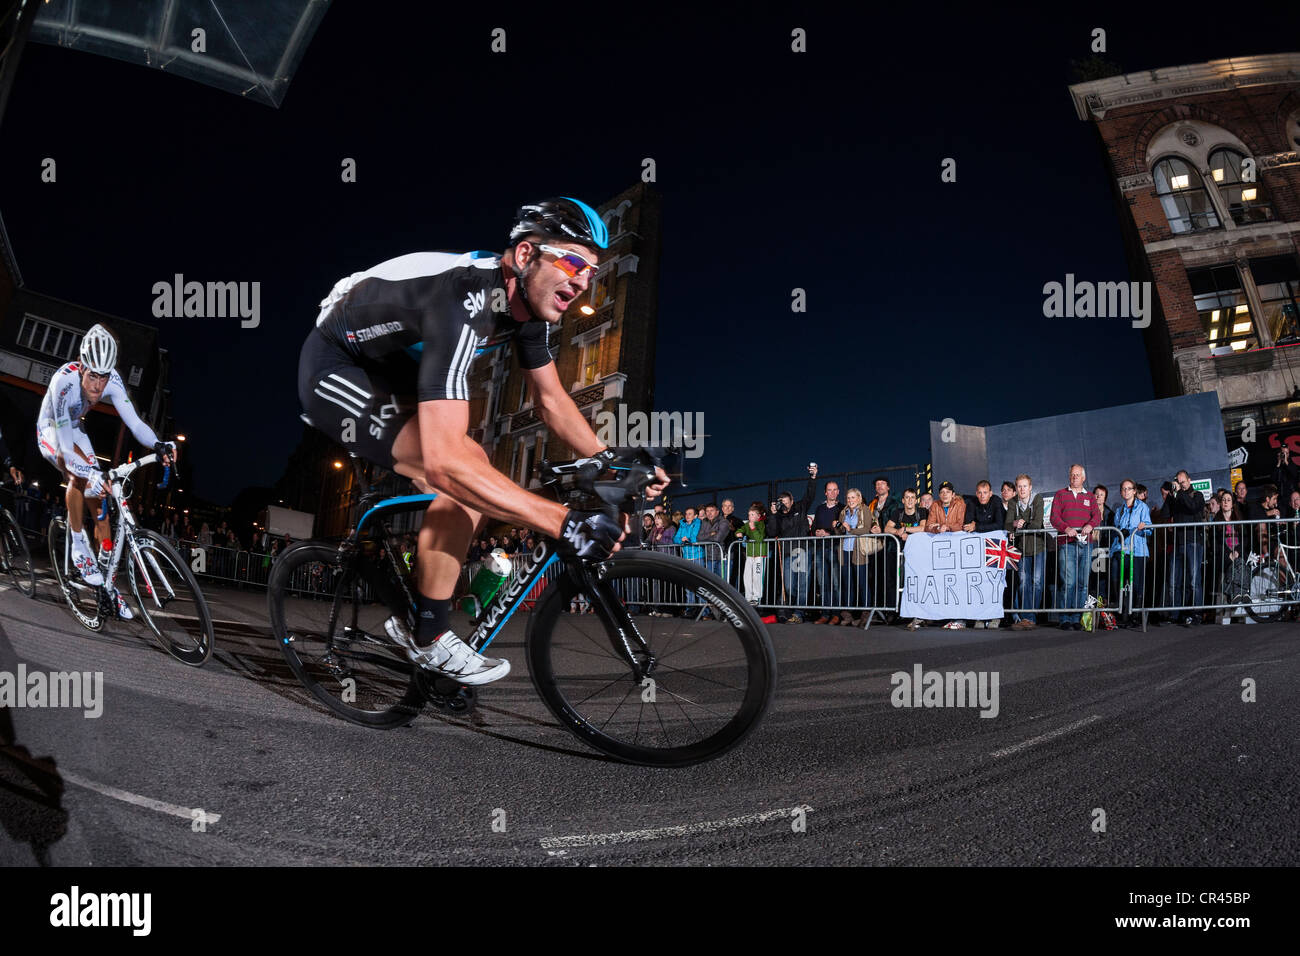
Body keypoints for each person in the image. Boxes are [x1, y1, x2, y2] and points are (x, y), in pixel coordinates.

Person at [296, 197, 669, 683]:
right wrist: (564, 523)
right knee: (462, 466)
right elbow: (449, 463)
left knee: (468, 469)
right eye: (574, 262)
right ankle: (427, 635)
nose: (583, 281)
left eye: (592, 271)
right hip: (337, 366)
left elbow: (553, 401)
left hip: (394, 372)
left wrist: (609, 460)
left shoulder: (527, 314)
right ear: (524, 256)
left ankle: (416, 609)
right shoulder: (463, 298)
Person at [36, 324, 177, 619]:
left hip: (76, 429)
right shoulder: (64, 382)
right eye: (93, 376)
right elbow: (63, 447)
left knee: (101, 502)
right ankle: (78, 546)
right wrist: (88, 471)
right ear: (81, 366)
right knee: (79, 475)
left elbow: (135, 423)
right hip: (53, 431)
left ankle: (108, 590)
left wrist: (159, 443)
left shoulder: (111, 379)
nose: (99, 386)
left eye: (104, 376)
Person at [1049, 464, 1100, 631]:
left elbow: (1097, 516)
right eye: (1072, 475)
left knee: (1082, 584)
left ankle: (1078, 617)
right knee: (1068, 582)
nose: (1075, 477)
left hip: (1085, 545)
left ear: (1083, 478)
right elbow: (1054, 517)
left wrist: (1090, 525)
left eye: (1078, 475)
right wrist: (1066, 528)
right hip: (1067, 544)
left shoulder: (1091, 497)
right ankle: (1065, 618)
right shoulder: (1061, 494)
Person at [767, 465, 817, 623]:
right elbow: (772, 532)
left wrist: (813, 478)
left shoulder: (800, 508)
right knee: (788, 586)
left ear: (792, 501)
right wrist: (773, 515)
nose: (784, 505)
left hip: (802, 550)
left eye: (786, 502)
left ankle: (799, 612)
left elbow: (809, 495)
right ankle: (792, 608)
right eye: (781, 502)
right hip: (787, 553)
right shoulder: (778, 516)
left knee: (803, 583)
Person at [1004, 474, 1046, 630]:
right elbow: (1008, 525)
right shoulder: (1013, 502)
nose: (1022, 489)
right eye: (1019, 486)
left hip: (1038, 547)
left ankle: (1030, 616)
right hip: (1021, 549)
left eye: (1025, 486)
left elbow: (1037, 523)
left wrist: (1023, 525)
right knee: (1023, 582)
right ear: (1016, 488)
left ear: (1030, 487)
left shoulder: (1037, 499)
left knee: (1037, 582)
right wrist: (1015, 523)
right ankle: (1027, 617)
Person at [963, 480, 1007, 628]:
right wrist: (975, 526)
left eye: (985, 492)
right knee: (978, 582)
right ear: (976, 493)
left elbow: (999, 525)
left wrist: (978, 526)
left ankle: (995, 616)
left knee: (994, 583)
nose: (982, 496)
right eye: (980, 493)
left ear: (990, 493)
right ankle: (979, 617)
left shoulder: (996, 502)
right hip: (977, 550)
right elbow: (968, 525)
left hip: (994, 549)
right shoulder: (971, 503)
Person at [1165, 470, 1205, 627]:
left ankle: (1197, 613)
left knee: (1194, 580)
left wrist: (1180, 493)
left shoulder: (1197, 495)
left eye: (1183, 482)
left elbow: (1193, 508)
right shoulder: (1177, 496)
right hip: (1177, 542)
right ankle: (1175, 614)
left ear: (1189, 480)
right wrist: (1170, 496)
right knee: (1174, 581)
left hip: (1193, 541)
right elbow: (1166, 513)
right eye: (1179, 482)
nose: (1181, 485)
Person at [1109, 480, 1151, 628]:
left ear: (1134, 491)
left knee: (1136, 584)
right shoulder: (1120, 510)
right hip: (1121, 550)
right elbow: (1116, 531)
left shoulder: (1142, 507)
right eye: (1123, 489)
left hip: (1138, 550)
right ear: (1121, 492)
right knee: (1118, 578)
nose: (1126, 491)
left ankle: (1136, 615)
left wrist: (1138, 529)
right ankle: (1121, 611)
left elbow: (1149, 529)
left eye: (1129, 489)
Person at [884, 488, 927, 630]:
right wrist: (897, 531)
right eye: (907, 497)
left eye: (912, 497)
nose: (909, 500)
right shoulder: (898, 513)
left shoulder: (922, 512)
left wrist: (906, 530)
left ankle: (918, 612)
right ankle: (897, 612)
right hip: (900, 553)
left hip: (918, 555)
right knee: (898, 581)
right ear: (903, 500)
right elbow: (887, 528)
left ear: (916, 500)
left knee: (916, 582)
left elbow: (923, 528)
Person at [809, 478, 844, 622]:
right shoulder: (820, 508)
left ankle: (836, 614)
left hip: (835, 548)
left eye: (835, 489)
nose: (832, 492)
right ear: (825, 493)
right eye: (830, 490)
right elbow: (814, 526)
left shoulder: (842, 508)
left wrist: (828, 533)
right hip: (820, 549)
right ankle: (825, 614)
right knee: (822, 582)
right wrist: (817, 532)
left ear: (838, 492)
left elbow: (842, 529)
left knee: (836, 582)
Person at [837, 488, 869, 626]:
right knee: (847, 583)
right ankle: (848, 614)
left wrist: (850, 529)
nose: (850, 500)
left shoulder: (864, 510)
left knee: (862, 582)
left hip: (859, 550)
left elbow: (866, 528)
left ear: (859, 498)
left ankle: (866, 614)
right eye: (848, 498)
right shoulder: (843, 512)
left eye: (853, 497)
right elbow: (839, 531)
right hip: (845, 550)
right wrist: (837, 526)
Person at [736, 503, 768, 606]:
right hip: (750, 555)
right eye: (749, 515)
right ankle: (748, 597)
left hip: (760, 555)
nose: (750, 517)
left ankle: (756, 598)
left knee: (757, 577)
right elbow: (741, 529)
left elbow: (759, 538)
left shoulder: (761, 524)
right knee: (747, 576)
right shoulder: (747, 525)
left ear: (758, 516)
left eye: (753, 514)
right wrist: (739, 533)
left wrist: (753, 528)